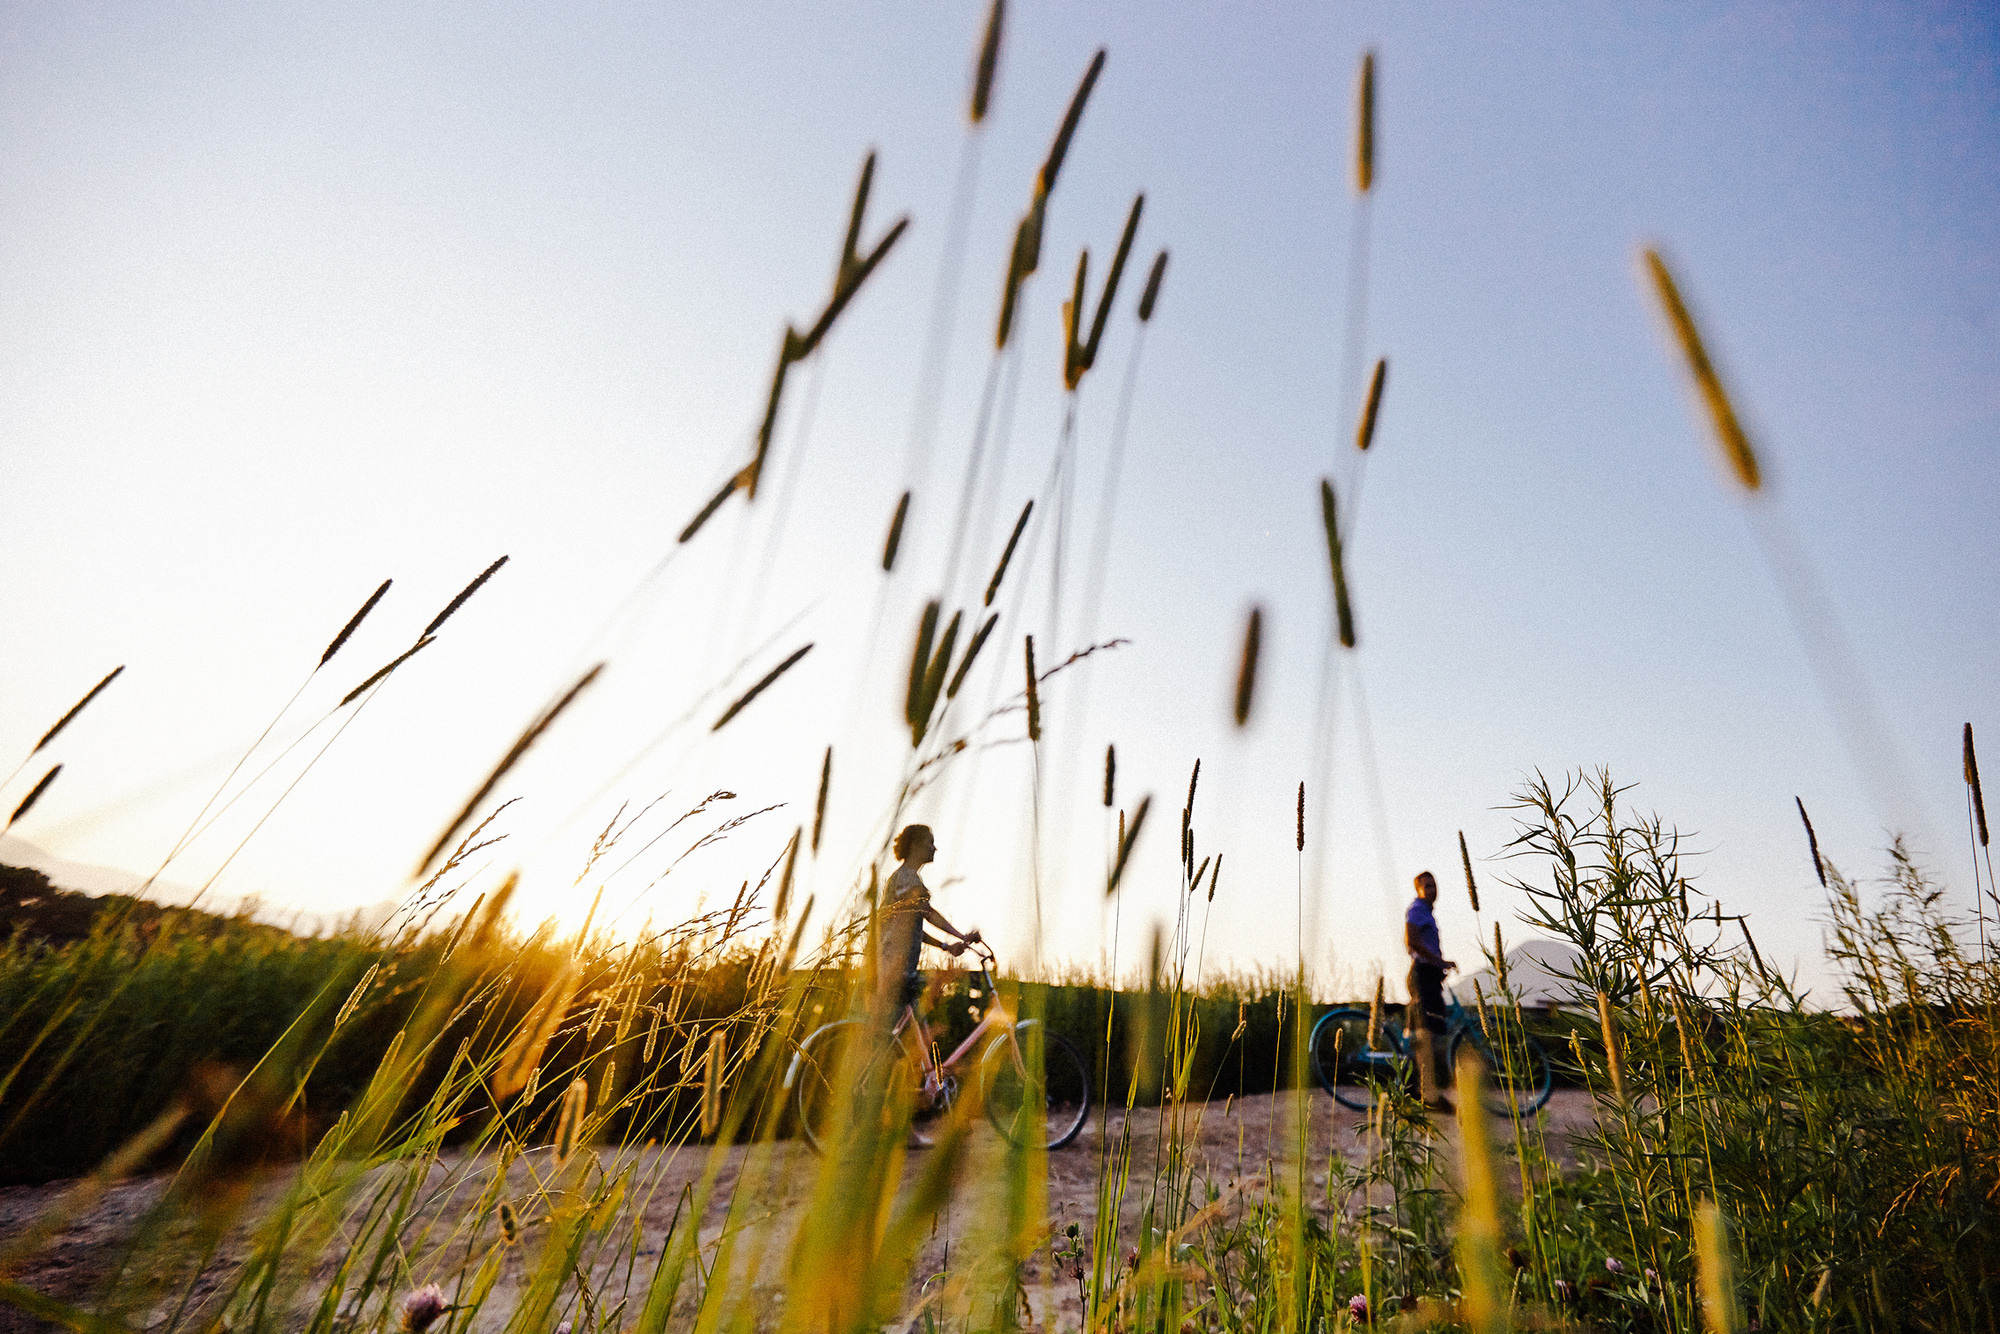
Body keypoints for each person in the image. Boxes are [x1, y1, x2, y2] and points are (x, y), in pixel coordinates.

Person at [876, 823, 981, 1031]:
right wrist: (961, 935)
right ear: (915, 845)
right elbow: (928, 913)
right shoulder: (907, 878)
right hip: (895, 970)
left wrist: (946, 946)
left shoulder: (905, 877)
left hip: (899, 969)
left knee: (909, 1037)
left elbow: (913, 930)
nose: (935, 848)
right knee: (898, 1037)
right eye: (930, 843)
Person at [1405, 870, 1457, 1111]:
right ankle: (1427, 1095)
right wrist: (1438, 961)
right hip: (1422, 975)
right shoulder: (1417, 910)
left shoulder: (1427, 913)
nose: (1432, 890)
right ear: (1418, 890)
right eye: (1426, 886)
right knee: (1428, 1035)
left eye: (1434, 885)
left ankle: (1419, 1090)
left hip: (1429, 976)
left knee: (1429, 1033)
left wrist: (1440, 964)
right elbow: (1411, 941)